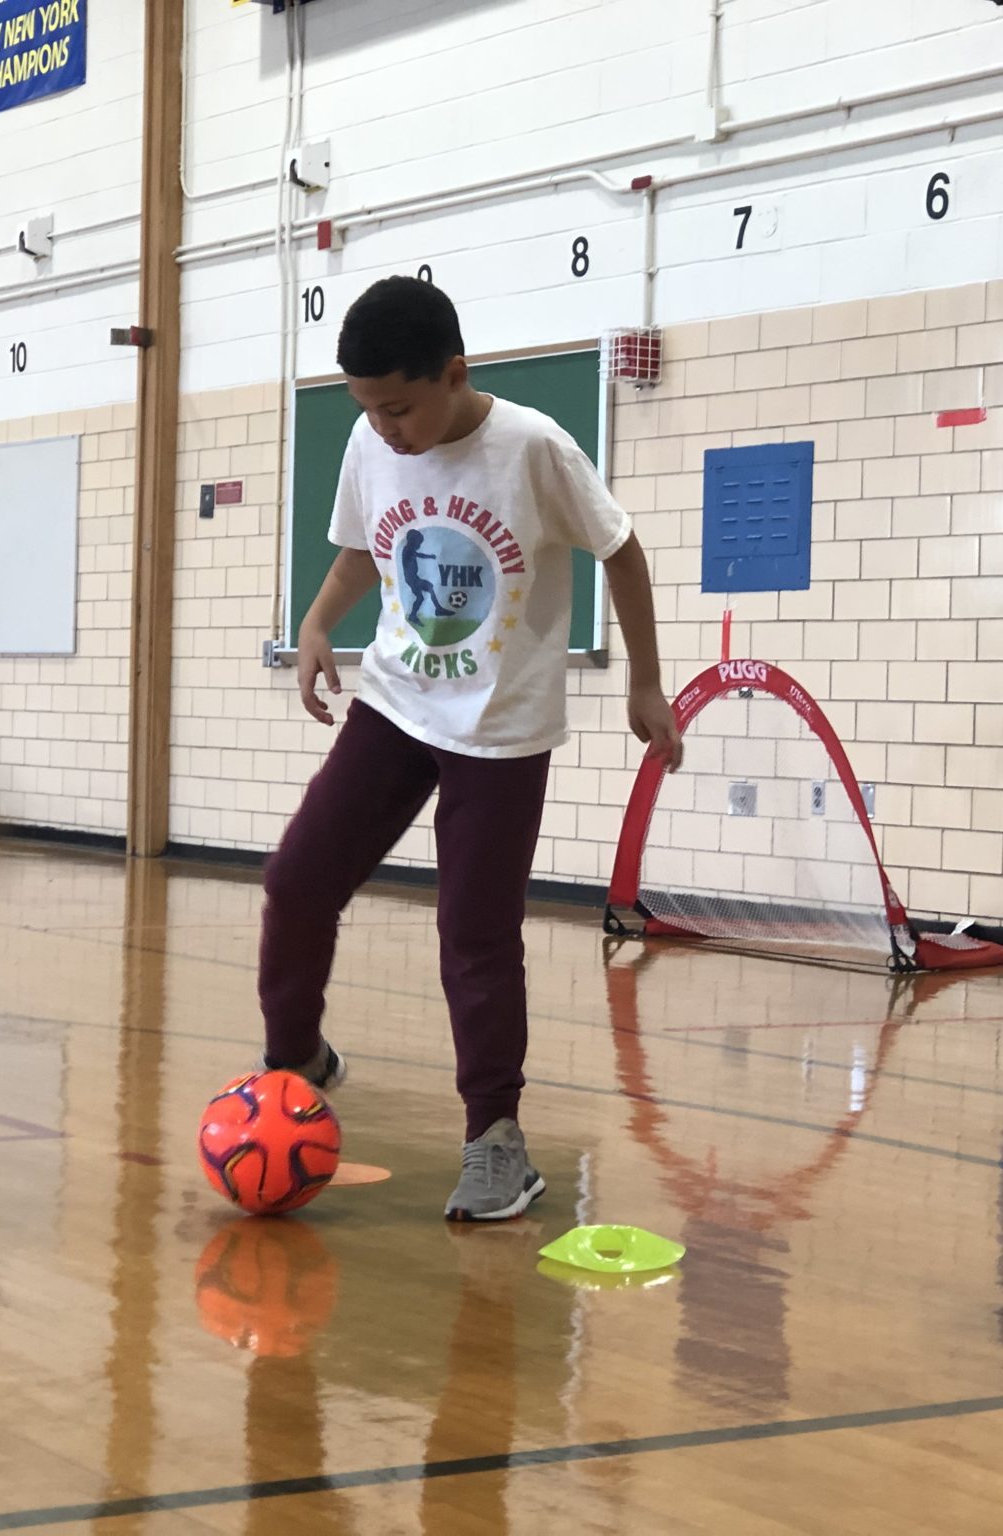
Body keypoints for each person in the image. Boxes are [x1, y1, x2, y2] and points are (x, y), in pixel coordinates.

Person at [263, 275, 682, 1221]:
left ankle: (497, 1138)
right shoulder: (372, 441)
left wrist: (645, 682)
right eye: (368, 411)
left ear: (456, 373)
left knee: (474, 935)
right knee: (297, 878)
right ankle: (295, 1060)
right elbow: (362, 550)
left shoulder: (534, 447)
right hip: (397, 703)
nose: (385, 429)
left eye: (400, 407)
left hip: (501, 731)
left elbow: (620, 548)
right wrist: (321, 621)